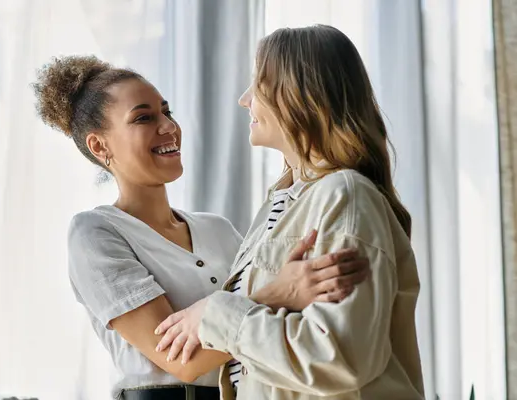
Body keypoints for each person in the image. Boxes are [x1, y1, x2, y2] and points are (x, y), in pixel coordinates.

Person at [32, 55, 370, 400]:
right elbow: (180, 361)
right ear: (99, 145)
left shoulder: (218, 230)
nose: (167, 126)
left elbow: (277, 321)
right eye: (144, 118)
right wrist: (277, 293)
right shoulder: (95, 233)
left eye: (167, 112)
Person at [155, 25, 425, 400]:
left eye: (259, 84)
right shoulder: (281, 203)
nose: (244, 99)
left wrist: (217, 315)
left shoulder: (344, 195)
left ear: (301, 94)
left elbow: (338, 358)